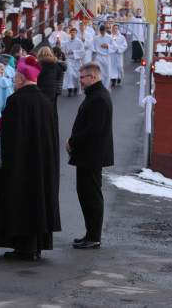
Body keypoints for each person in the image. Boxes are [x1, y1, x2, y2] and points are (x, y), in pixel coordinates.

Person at [0, 56, 61, 260]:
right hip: (42, 166)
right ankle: (38, 246)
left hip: (21, 167)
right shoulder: (46, 102)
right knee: (39, 201)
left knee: (21, 202)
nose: (13, 81)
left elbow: (10, 137)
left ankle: (23, 248)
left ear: (22, 79)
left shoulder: (16, 101)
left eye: (15, 77)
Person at [67, 63, 113, 249]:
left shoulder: (99, 98)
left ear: (92, 77)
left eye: (83, 78)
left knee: (91, 195)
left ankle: (94, 236)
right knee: (86, 193)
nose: (80, 81)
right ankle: (90, 233)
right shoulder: (95, 95)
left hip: (91, 155)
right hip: (88, 155)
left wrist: (73, 140)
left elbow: (93, 129)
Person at [62, 27, 85, 97]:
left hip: (76, 61)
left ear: (76, 33)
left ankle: (75, 88)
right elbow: (63, 51)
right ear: (70, 33)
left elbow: (82, 52)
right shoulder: (67, 42)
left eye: (74, 32)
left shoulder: (79, 42)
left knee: (76, 76)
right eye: (71, 32)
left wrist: (74, 52)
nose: (72, 34)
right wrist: (65, 54)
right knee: (70, 74)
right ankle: (70, 90)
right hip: (69, 60)